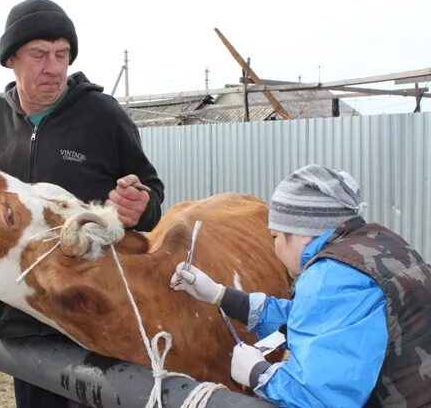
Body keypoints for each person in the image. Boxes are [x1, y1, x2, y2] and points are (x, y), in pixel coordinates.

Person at [0, 0, 164, 408]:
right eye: (40, 54)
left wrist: (141, 204)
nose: (54, 68)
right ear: (11, 59)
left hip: (95, 318)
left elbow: (150, 194)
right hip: (18, 322)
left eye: (62, 54)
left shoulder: (103, 116)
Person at [170, 164, 431, 407]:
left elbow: (318, 398)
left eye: (275, 236)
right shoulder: (379, 245)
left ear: (304, 236)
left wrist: (259, 374)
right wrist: (220, 294)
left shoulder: (333, 277)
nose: (274, 247)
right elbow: (315, 320)